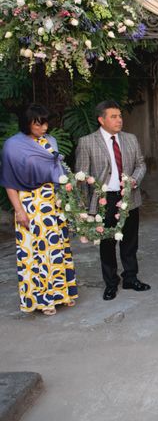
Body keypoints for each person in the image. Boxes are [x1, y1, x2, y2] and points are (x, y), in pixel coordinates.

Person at [0, 104, 78, 315]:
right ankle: (43, 300)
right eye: (38, 123)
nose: (44, 127)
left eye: (45, 123)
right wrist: (19, 210)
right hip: (30, 203)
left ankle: (62, 294)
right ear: (27, 123)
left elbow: (58, 171)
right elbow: (9, 182)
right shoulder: (12, 146)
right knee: (36, 254)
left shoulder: (50, 141)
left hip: (53, 202)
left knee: (57, 249)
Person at [75, 100, 150, 301]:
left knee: (130, 241)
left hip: (129, 197)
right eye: (113, 116)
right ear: (101, 120)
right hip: (103, 200)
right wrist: (83, 209)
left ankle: (130, 278)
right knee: (107, 243)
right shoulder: (87, 142)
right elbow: (81, 176)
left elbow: (141, 164)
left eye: (120, 116)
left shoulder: (130, 139)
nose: (119, 120)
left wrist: (134, 180)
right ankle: (110, 283)